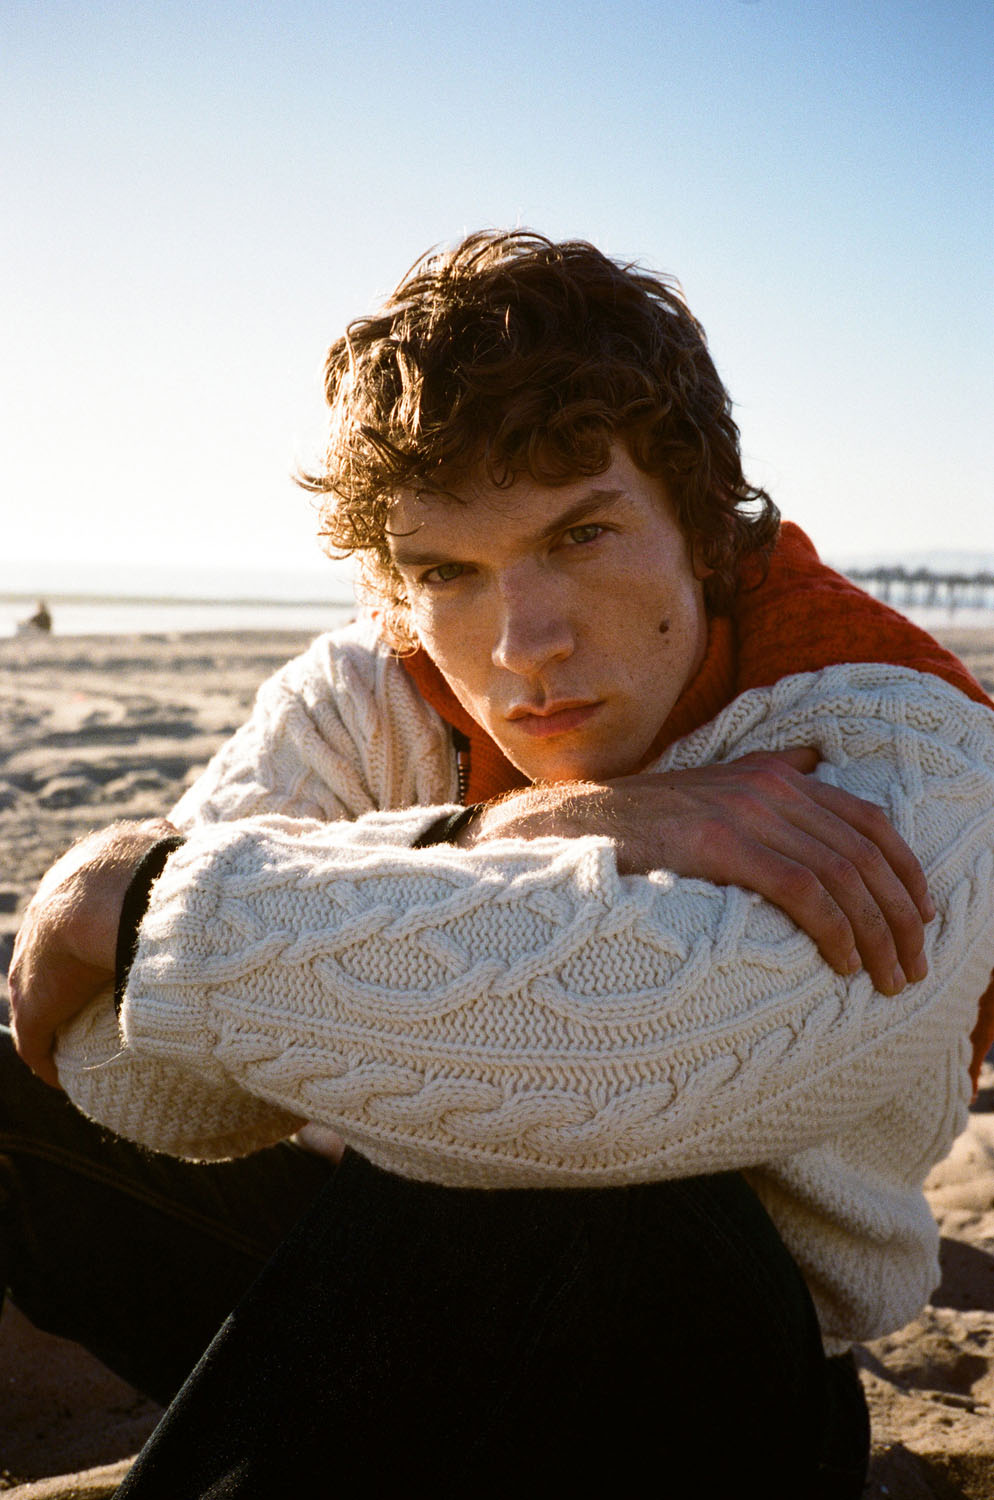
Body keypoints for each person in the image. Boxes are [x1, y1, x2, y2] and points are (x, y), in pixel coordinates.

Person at [6, 231, 994, 1497]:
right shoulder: (371, 689)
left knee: (554, 1176)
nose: (524, 645)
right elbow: (123, 1067)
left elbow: (623, 1054)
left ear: (699, 521)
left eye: (580, 535)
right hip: (359, 1264)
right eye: (447, 572)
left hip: (700, 1371)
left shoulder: (897, 734)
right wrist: (528, 828)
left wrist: (133, 897)